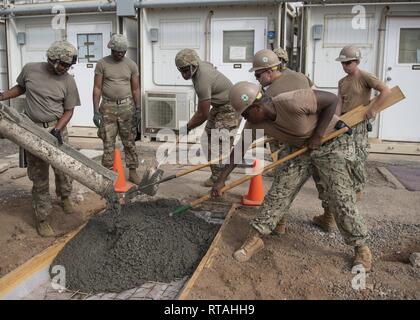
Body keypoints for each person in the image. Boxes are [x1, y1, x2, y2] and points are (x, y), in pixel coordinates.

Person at [211, 82, 372, 272]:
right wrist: (221, 180)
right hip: (299, 148)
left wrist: (318, 134)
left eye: (245, 114)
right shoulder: (254, 123)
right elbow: (238, 150)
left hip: (331, 143)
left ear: (257, 106)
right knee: (279, 193)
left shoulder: (292, 102)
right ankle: (255, 238)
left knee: (340, 196)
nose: (244, 119)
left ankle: (361, 248)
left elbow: (331, 100)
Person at [0, 40, 80, 237]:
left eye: (69, 65)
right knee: (39, 176)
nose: (65, 68)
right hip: (32, 129)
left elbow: (69, 111)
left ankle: (65, 197)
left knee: (63, 169)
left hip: (56, 128)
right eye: (63, 64)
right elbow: (20, 88)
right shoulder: (30, 70)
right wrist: (2, 95)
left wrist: (58, 129)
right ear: (52, 59)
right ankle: (42, 218)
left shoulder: (68, 81)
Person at [312, 46, 391, 232]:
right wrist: (334, 122)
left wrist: (374, 109)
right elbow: (339, 103)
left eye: (348, 62)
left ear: (357, 61)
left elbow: (385, 91)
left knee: (357, 160)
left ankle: (353, 203)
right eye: (343, 63)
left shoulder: (365, 77)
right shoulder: (342, 82)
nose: (345, 66)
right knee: (338, 163)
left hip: (359, 123)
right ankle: (330, 214)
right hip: (345, 124)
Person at [250, 49, 322, 234]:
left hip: (314, 139)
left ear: (270, 70)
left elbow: (324, 100)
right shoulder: (300, 77)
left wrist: (317, 135)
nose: (257, 78)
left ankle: (326, 218)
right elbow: (317, 95)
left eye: (258, 74)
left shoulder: (274, 93)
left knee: (322, 184)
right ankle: (279, 222)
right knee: (284, 183)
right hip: (296, 137)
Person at [175, 49, 240, 187]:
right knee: (206, 140)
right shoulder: (201, 65)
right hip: (218, 106)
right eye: (180, 70)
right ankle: (216, 175)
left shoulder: (201, 81)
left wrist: (186, 128)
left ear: (194, 65)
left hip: (230, 106)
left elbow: (202, 114)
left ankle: (221, 180)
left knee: (219, 144)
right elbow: (210, 65)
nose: (183, 74)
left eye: (186, 70)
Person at [93, 34, 141, 184]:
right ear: (111, 49)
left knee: (129, 141)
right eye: (117, 52)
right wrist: (95, 111)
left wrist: (138, 108)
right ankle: (107, 174)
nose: (120, 55)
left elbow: (136, 89)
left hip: (127, 107)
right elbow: (97, 88)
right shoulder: (102, 64)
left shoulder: (131, 65)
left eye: (123, 52)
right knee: (108, 141)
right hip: (107, 107)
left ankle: (133, 172)